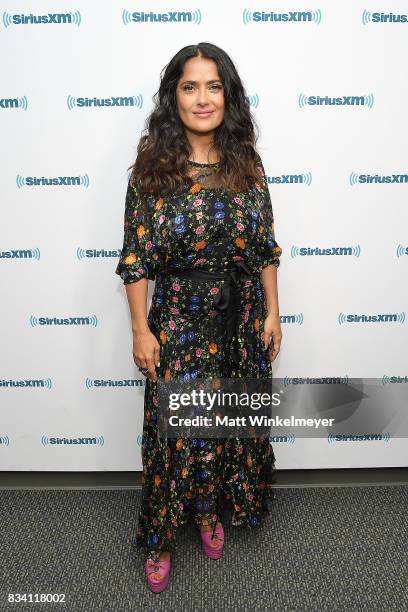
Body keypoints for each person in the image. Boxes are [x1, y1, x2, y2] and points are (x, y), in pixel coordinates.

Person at [115, 42, 282, 593]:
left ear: (227, 95)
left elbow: (264, 247)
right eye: (191, 87)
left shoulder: (247, 162)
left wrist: (273, 313)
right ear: (174, 97)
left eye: (214, 86)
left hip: (240, 319)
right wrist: (142, 329)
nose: (203, 98)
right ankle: (160, 536)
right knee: (175, 433)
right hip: (180, 319)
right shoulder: (151, 169)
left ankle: (210, 510)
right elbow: (136, 257)